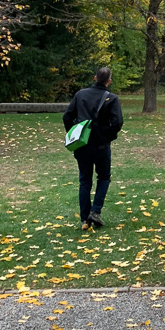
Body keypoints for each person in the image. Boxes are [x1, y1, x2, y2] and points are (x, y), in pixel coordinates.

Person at [63, 66, 124, 230]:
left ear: (95, 78)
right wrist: (107, 135)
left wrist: (73, 133)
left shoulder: (80, 94)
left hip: (82, 144)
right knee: (104, 177)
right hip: (101, 145)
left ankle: (85, 219)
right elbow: (117, 123)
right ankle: (95, 211)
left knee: (85, 180)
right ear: (109, 81)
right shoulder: (112, 98)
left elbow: (67, 117)